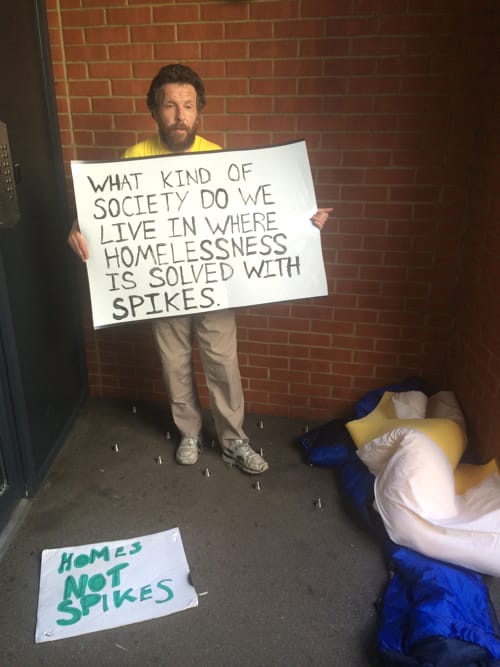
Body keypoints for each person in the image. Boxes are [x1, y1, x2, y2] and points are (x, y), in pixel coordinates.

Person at [68, 63, 332, 475]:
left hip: (215, 284)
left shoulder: (217, 158)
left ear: (198, 111)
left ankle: (234, 441)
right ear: (154, 111)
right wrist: (78, 229)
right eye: (170, 105)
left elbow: (253, 213)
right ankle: (188, 432)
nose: (179, 115)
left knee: (222, 362)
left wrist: (303, 220)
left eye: (188, 106)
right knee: (173, 362)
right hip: (161, 285)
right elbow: (105, 216)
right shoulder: (134, 158)